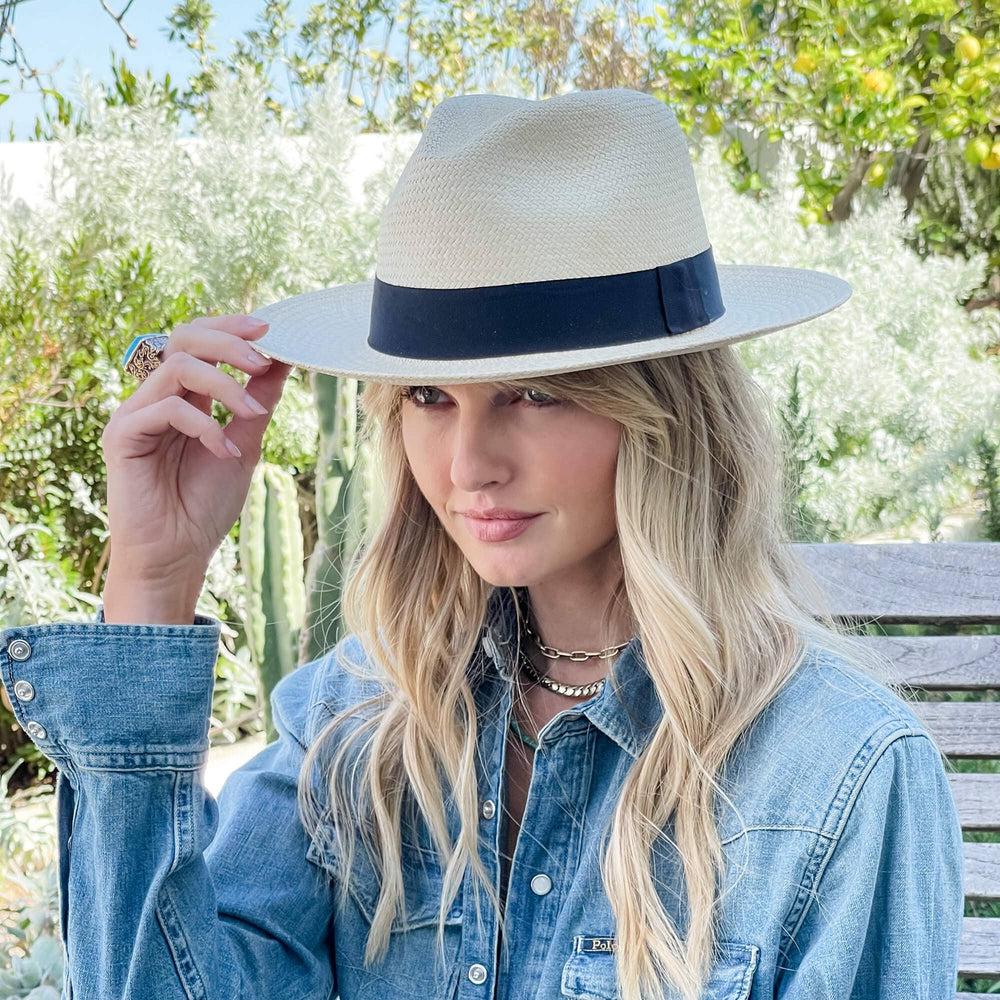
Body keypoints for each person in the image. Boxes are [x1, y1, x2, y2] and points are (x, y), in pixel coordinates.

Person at [1, 88, 963, 1000]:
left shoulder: (840, 772)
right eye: (429, 396)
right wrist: (152, 580)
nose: (468, 464)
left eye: (536, 393)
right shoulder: (353, 720)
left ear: (666, 412)